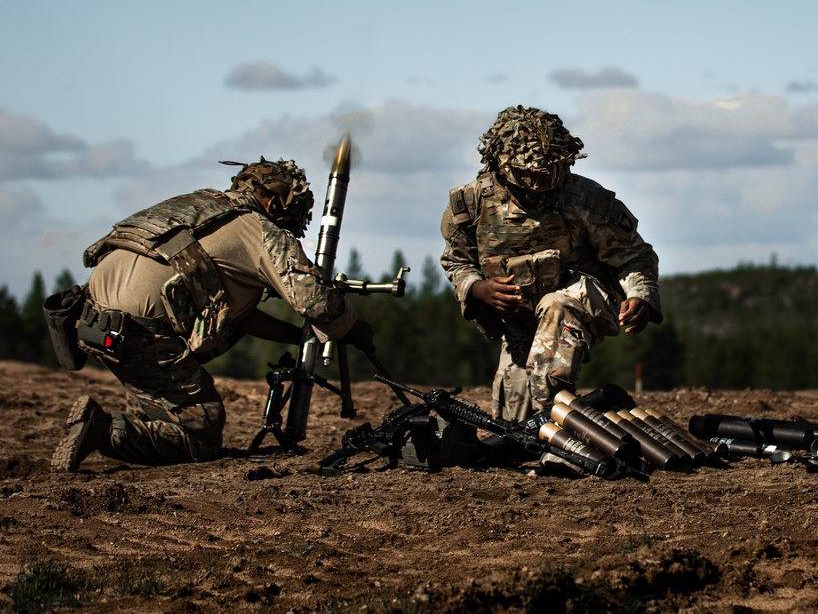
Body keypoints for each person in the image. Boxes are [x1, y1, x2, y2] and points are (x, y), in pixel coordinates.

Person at [50, 157, 375, 472]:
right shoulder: (261, 230)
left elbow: (241, 318)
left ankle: (137, 422)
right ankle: (103, 429)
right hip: (141, 333)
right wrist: (353, 327)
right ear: (276, 205)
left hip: (90, 319)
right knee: (202, 429)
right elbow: (315, 300)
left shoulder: (199, 204)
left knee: (163, 404)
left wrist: (300, 337)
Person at [440, 105, 663, 422]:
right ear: (501, 165)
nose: (539, 186)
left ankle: (561, 429)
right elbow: (456, 260)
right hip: (520, 322)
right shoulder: (473, 204)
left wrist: (639, 295)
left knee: (556, 306)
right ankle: (570, 419)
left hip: (582, 303)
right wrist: (477, 288)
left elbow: (633, 255)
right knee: (516, 427)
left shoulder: (584, 200)